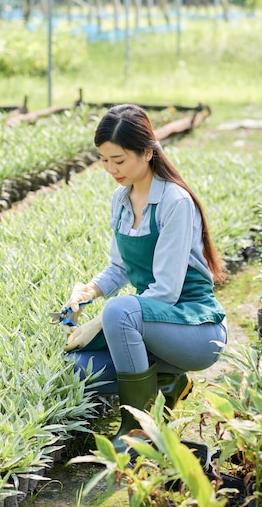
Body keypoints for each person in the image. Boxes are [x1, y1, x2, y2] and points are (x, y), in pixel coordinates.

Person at [62, 104, 228, 453]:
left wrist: (102, 321)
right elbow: (119, 268)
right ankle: (170, 384)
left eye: (119, 160)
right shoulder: (122, 199)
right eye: (104, 160)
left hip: (194, 330)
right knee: (77, 369)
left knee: (119, 312)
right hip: (149, 326)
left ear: (148, 152)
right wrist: (89, 290)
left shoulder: (174, 202)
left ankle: (137, 431)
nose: (110, 169)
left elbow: (166, 291)